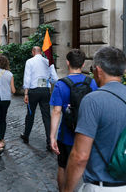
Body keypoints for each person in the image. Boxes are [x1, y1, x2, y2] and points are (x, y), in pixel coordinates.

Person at [63, 47, 126, 192]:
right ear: (123, 71)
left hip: (102, 187)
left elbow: (80, 156)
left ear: (98, 71)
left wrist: (67, 190)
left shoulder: (92, 101)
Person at [49, 49, 98, 191]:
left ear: (67, 63)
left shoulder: (61, 84)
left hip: (66, 135)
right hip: (87, 135)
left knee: (63, 166)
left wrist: (52, 137)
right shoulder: (92, 83)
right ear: (83, 64)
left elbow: (57, 111)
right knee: (88, 167)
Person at [20, 46, 58, 151]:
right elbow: (55, 79)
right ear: (40, 52)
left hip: (33, 91)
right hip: (45, 91)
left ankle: (26, 135)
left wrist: (26, 93)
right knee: (46, 117)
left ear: (33, 52)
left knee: (30, 114)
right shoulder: (48, 61)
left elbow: (27, 78)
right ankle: (49, 141)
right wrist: (47, 79)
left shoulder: (30, 62)